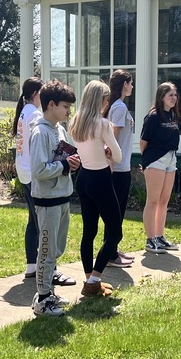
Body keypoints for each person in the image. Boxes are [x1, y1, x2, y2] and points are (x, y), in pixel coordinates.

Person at [30, 79, 80, 317]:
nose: (69, 112)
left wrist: (72, 163)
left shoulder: (59, 129)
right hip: (47, 200)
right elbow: (39, 169)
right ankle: (42, 300)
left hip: (62, 196)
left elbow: (63, 159)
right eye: (65, 107)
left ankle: (49, 292)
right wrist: (63, 166)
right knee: (47, 250)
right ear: (51, 104)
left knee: (57, 248)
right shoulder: (40, 132)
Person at [68, 80, 122, 297]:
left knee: (89, 232)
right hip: (100, 178)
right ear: (100, 100)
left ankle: (89, 278)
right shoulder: (102, 124)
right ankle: (94, 280)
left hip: (83, 178)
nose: (107, 103)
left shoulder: (75, 122)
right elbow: (118, 156)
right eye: (106, 100)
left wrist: (103, 148)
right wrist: (108, 150)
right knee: (115, 233)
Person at [139, 82, 181, 253]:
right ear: (162, 96)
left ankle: (159, 236)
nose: (174, 98)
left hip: (171, 159)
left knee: (164, 201)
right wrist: (147, 162)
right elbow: (143, 143)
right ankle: (150, 240)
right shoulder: (153, 116)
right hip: (156, 159)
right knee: (153, 200)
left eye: (175, 95)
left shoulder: (172, 115)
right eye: (170, 95)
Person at [13, 77, 43, 280]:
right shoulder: (35, 113)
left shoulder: (25, 111)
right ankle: (46, 266)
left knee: (33, 220)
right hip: (33, 172)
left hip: (24, 171)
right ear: (35, 94)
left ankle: (32, 264)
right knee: (41, 221)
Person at [105, 70, 135, 268]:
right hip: (118, 169)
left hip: (122, 167)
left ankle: (112, 249)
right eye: (130, 83)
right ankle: (110, 254)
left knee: (116, 212)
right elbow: (112, 139)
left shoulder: (117, 106)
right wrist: (112, 165)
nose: (132, 86)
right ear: (125, 84)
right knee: (115, 213)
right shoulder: (119, 107)